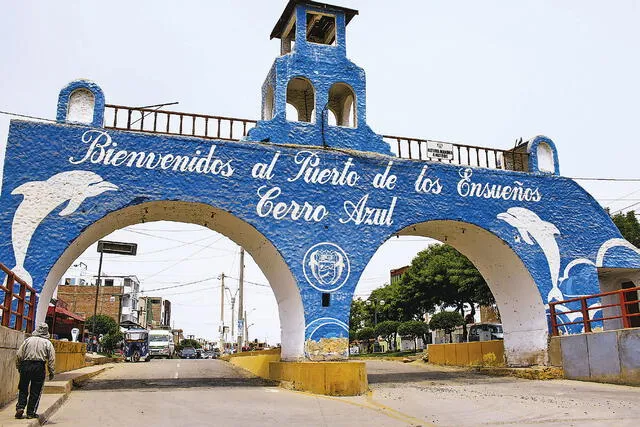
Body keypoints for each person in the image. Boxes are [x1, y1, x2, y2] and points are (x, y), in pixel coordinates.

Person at [15, 322, 56, 419]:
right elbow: (51, 359)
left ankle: (20, 407)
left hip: (26, 365)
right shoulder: (48, 343)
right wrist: (51, 372)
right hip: (39, 367)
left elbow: (19, 355)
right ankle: (30, 412)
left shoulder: (28, 340)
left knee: (23, 387)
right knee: (36, 390)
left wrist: (19, 367)